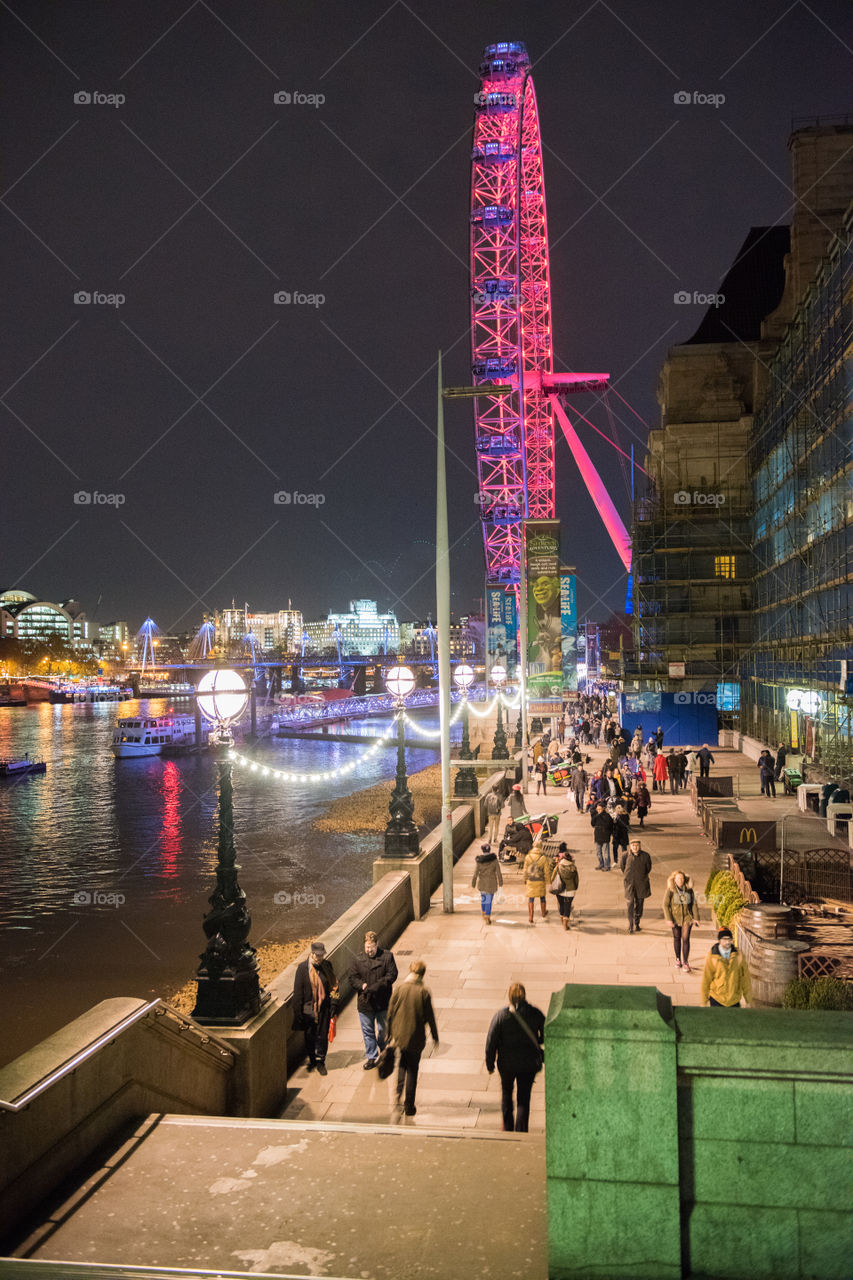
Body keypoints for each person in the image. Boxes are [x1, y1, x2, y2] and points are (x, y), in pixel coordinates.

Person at [485, 982, 545, 1132]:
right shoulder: (535, 1013)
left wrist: (490, 1064)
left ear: (509, 996)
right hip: (528, 1063)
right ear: (524, 995)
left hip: (507, 1064)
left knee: (506, 1094)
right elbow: (546, 1034)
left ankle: (507, 1127)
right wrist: (537, 1041)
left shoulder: (501, 1016)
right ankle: (521, 1129)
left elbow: (491, 1042)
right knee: (524, 1098)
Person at [387, 959, 439, 1118]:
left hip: (400, 1036)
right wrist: (435, 1037)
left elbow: (390, 1012)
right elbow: (430, 1017)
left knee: (402, 1064)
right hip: (416, 1037)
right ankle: (409, 1105)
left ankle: (397, 1097)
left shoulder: (400, 988)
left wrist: (389, 1034)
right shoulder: (424, 992)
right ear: (422, 974)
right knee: (413, 1070)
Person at [348, 930, 397, 1069]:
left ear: (377, 944)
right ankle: (371, 1056)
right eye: (367, 947)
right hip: (365, 1003)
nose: (369, 950)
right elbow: (352, 978)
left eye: (372, 947)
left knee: (383, 1031)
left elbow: (392, 975)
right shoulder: (358, 959)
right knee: (368, 1031)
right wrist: (362, 985)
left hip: (382, 1002)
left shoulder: (388, 957)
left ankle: (383, 1048)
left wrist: (376, 986)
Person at [293, 941, 338, 1075]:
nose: (320, 958)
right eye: (317, 955)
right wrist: (298, 1013)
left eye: (322, 955)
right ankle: (312, 1059)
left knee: (322, 1035)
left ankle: (321, 1062)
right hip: (308, 1007)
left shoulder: (327, 965)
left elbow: (334, 986)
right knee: (309, 1036)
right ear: (312, 954)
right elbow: (298, 992)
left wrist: (334, 1004)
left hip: (324, 1007)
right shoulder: (302, 968)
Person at [701, 928, 752, 1007]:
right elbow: (706, 979)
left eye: (729, 939)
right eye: (724, 939)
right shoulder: (712, 956)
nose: (727, 942)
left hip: (734, 1000)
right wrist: (703, 1001)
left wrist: (749, 1000)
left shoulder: (739, 956)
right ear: (719, 940)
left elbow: (745, 979)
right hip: (717, 999)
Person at [663, 870, 700, 971]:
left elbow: (693, 904)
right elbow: (665, 905)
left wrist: (696, 918)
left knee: (685, 938)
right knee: (677, 938)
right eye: (678, 878)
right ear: (674, 880)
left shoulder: (689, 890)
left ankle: (686, 962)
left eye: (682, 878)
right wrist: (668, 919)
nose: (680, 880)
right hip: (675, 918)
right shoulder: (670, 890)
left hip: (687, 918)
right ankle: (678, 959)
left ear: (684, 879)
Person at [620, 836, 652, 934]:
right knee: (630, 904)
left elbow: (648, 868)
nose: (635, 847)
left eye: (637, 846)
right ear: (630, 846)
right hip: (629, 884)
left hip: (641, 884)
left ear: (640, 846)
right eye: (633, 846)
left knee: (640, 904)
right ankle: (631, 924)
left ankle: (637, 922)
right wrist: (628, 877)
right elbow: (623, 867)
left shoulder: (646, 856)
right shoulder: (625, 855)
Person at [472, 842, 503, 925]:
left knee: (484, 899)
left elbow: (475, 873)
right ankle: (487, 916)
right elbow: (498, 872)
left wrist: (473, 882)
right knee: (489, 900)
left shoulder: (479, 861)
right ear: (490, 850)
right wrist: (500, 882)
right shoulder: (494, 860)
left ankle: (483, 912)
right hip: (491, 883)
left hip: (482, 883)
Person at [551, 844, 579, 930]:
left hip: (560, 890)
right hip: (570, 891)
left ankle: (562, 920)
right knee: (568, 906)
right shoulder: (573, 867)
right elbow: (576, 880)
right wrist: (574, 887)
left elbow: (552, 878)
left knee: (562, 906)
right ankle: (565, 924)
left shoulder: (558, 867)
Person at [522, 843, 551, 923]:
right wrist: (548, 881)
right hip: (540, 880)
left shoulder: (528, 857)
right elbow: (547, 871)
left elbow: (525, 870)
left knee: (531, 898)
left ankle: (531, 917)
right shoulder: (543, 858)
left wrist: (524, 879)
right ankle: (543, 913)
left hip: (531, 880)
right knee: (542, 897)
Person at [591, 801, 614, 871]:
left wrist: (600, 816)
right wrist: (596, 816)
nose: (598, 810)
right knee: (598, 852)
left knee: (606, 852)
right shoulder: (596, 815)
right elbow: (592, 824)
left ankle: (607, 865)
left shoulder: (607, 816)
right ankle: (601, 864)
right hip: (598, 835)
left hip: (605, 836)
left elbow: (609, 825)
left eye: (600, 809)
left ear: (603, 809)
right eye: (597, 809)